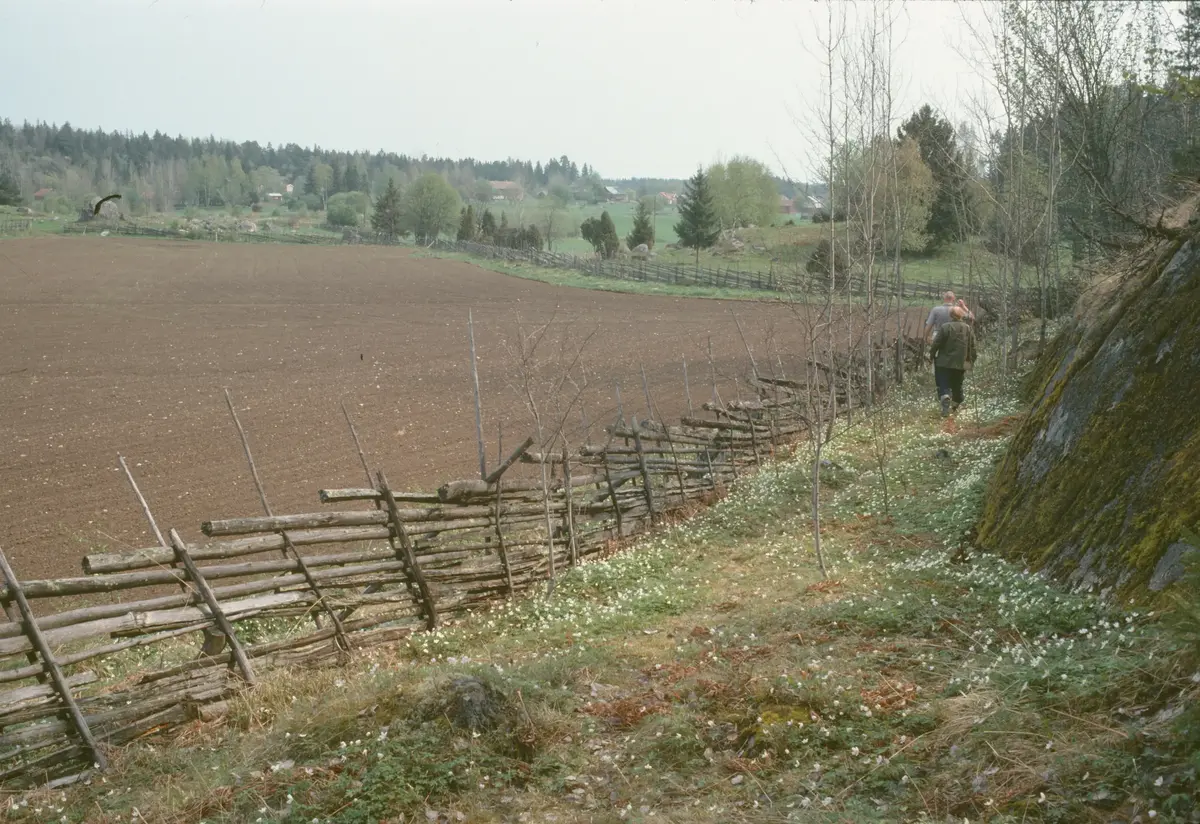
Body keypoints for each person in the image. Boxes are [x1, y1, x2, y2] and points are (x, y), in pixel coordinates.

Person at [928, 306, 977, 417]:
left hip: (943, 363)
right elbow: (972, 347)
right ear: (961, 315)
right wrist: (971, 361)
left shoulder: (945, 327)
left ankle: (945, 397)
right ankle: (955, 404)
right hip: (960, 363)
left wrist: (931, 356)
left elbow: (936, 344)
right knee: (957, 385)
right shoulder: (968, 329)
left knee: (943, 383)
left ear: (951, 315)